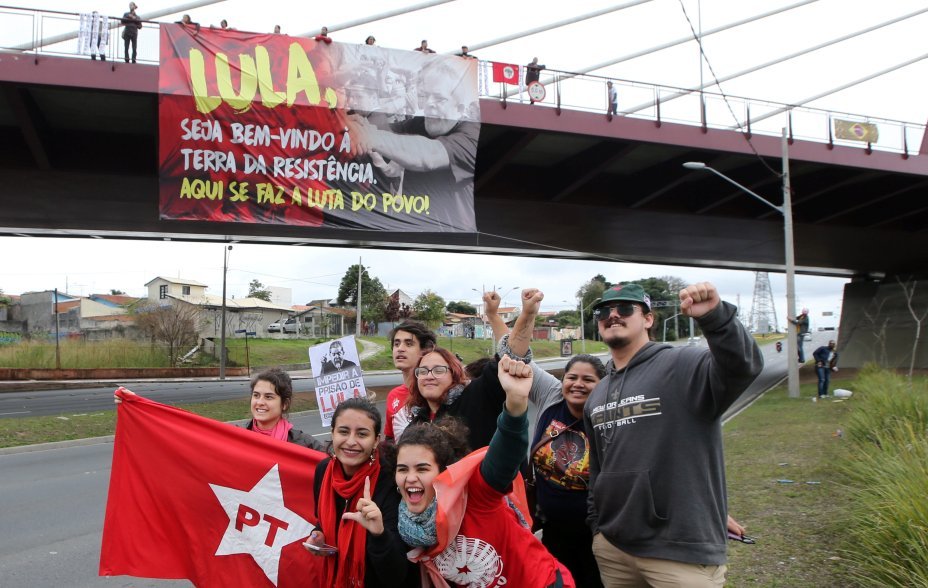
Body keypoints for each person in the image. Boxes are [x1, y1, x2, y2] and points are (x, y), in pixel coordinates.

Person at [584, 282, 763, 587]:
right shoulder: (597, 394)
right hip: (614, 549)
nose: (612, 315)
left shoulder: (683, 364)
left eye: (625, 308)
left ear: (649, 319)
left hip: (680, 550)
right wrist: (597, 527)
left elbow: (741, 367)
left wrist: (715, 318)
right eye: (604, 311)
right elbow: (599, 468)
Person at [395, 355, 576, 587]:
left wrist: (516, 404)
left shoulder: (476, 492)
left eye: (423, 468)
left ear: (442, 470)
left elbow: (505, 454)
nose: (411, 478)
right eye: (402, 469)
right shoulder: (408, 522)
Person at [491, 288, 605, 588]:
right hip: (550, 528)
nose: (577, 385)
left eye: (588, 380)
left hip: (599, 535)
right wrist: (528, 313)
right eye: (572, 377)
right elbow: (511, 355)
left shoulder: (610, 410)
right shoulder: (552, 394)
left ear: (603, 386)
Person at [305, 398, 416, 587]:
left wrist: (379, 533)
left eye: (362, 434)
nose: (350, 441)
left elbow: (396, 575)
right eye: (343, 431)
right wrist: (318, 534)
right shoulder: (323, 471)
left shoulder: (391, 480)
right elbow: (322, 521)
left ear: (376, 441)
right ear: (332, 433)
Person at [242, 367, 325, 449]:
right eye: (256, 395)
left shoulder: (305, 444)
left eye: (268, 397)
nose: (259, 402)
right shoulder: (238, 439)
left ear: (284, 404)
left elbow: (331, 460)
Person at [383, 320, 437, 443]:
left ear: (426, 350)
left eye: (409, 344)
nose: (400, 349)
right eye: (396, 344)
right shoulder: (393, 395)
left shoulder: (434, 391)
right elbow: (390, 440)